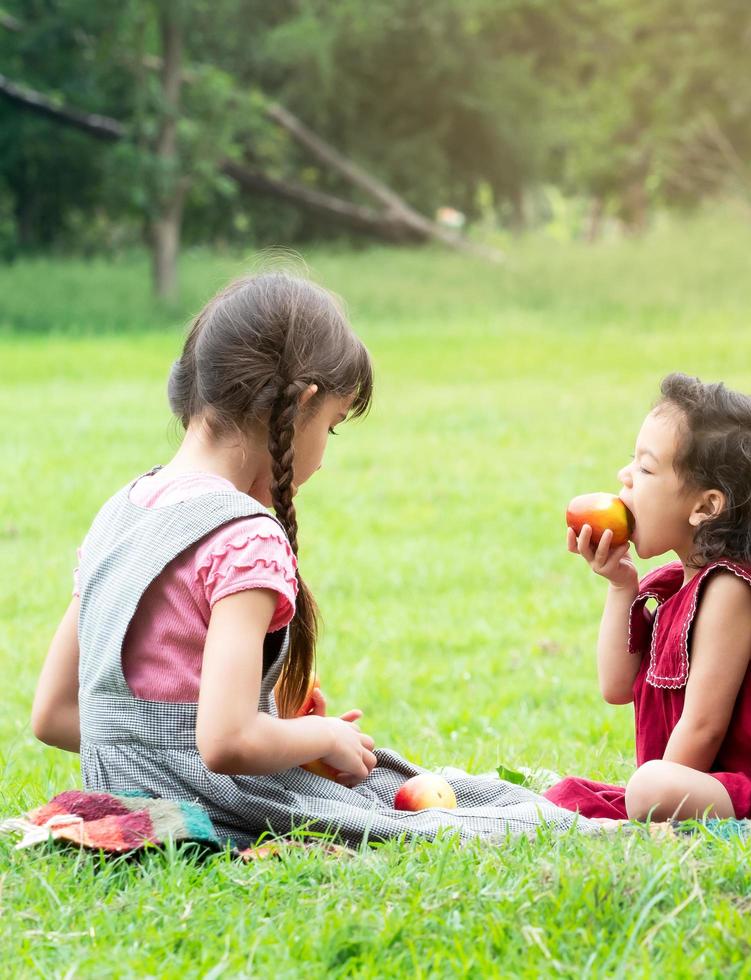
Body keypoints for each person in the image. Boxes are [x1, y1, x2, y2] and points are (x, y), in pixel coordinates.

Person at [29, 271, 592, 847]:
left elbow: (52, 715)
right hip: (213, 803)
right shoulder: (242, 535)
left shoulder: (120, 513)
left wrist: (273, 738)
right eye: (332, 426)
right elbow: (223, 743)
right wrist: (316, 738)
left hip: (121, 803)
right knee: (446, 813)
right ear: (303, 402)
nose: (324, 454)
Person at [545, 373, 751, 821]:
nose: (625, 476)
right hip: (698, 784)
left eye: (645, 468)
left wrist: (658, 795)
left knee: (649, 786)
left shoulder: (732, 590)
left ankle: (655, 798)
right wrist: (621, 585)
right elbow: (616, 687)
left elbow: (703, 726)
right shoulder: (676, 586)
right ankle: (654, 794)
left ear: (706, 507)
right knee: (571, 793)